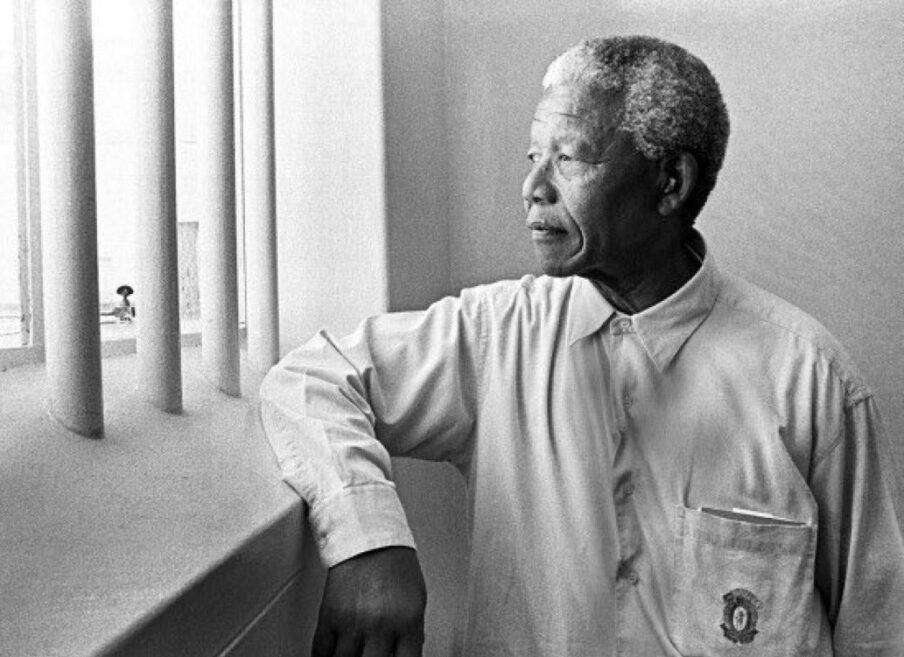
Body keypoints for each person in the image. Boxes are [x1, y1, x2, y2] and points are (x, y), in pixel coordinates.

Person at [259, 35, 904, 656]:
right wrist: (370, 541)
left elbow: (879, 632)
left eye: (569, 158)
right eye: (532, 157)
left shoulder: (811, 382)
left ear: (670, 183)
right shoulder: (495, 336)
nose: (534, 186)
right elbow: (312, 379)